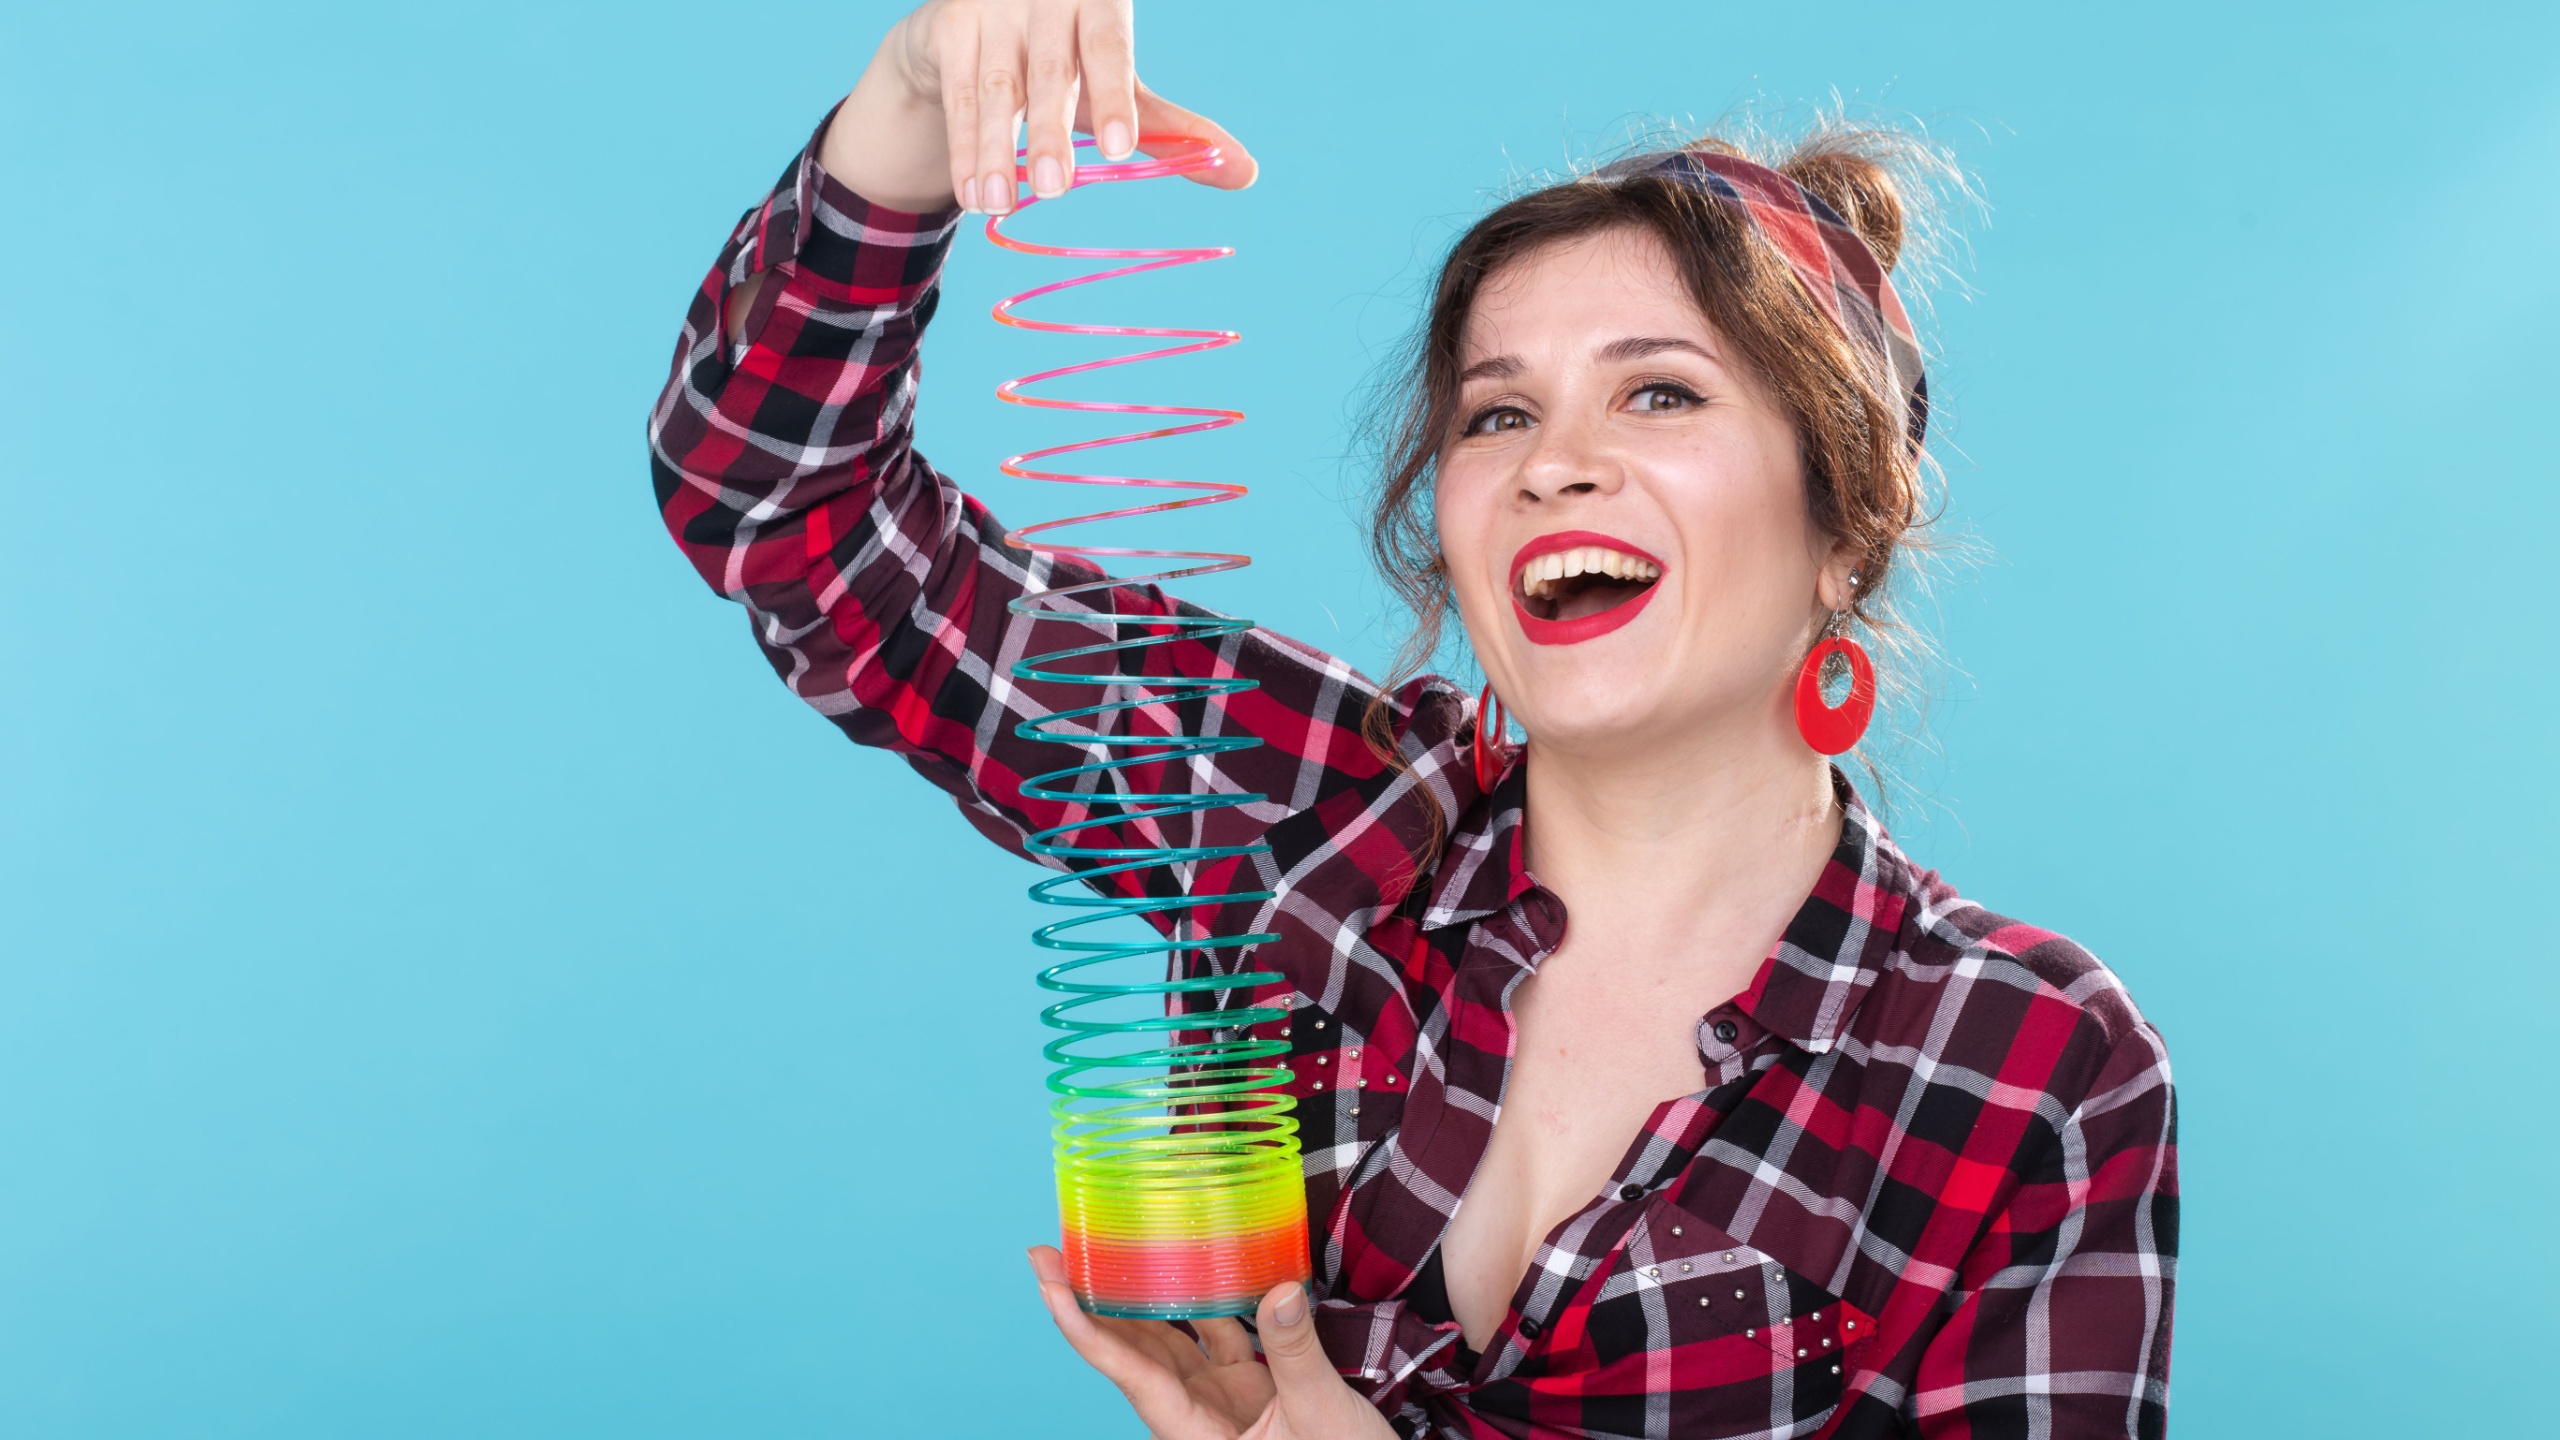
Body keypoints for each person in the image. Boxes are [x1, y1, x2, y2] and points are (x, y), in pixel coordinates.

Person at [644, 3, 2178, 1436]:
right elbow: (782, 511)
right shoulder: (1313, 807)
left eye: (1660, 396)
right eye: (1496, 412)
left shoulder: (2031, 1066)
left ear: (1844, 523)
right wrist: (911, 110)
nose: (1552, 463)